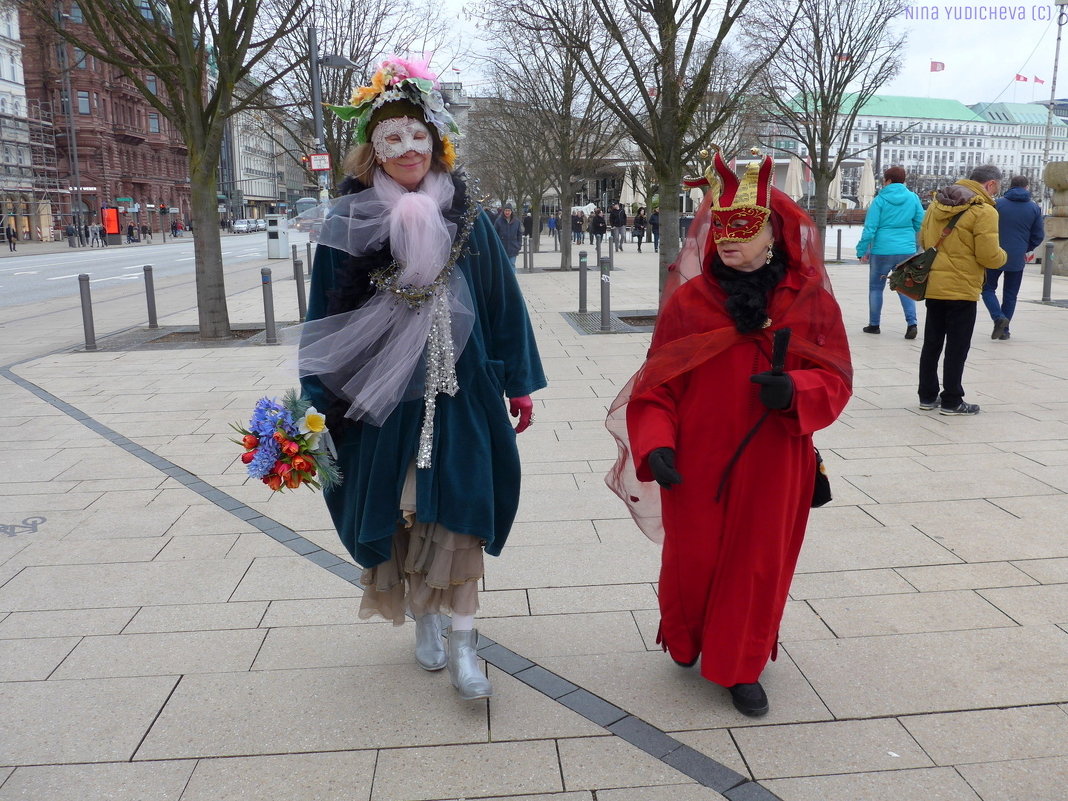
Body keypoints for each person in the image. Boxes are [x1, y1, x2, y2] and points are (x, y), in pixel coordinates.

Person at [298, 56, 546, 701]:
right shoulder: (345, 224)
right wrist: (314, 402)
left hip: (461, 393)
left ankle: (466, 645)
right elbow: (325, 314)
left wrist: (516, 379)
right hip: (379, 399)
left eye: (418, 135)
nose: (408, 149)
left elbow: (501, 301)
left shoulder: (470, 218)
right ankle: (424, 621)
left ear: (437, 139)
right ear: (372, 150)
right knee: (402, 513)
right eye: (391, 138)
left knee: (461, 511)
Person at [606, 152, 852, 717]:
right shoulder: (691, 302)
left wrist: (795, 392)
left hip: (774, 460)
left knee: (755, 564)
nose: (727, 240)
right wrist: (655, 442)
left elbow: (835, 376)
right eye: (720, 228)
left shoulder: (808, 302)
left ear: (775, 233)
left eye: (745, 228)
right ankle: (689, 635)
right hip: (697, 459)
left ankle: (739, 663)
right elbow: (657, 386)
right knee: (693, 559)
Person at [918, 165, 1007, 415]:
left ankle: (926, 396)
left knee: (932, 343)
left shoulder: (937, 203)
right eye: (997, 187)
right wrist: (1004, 257)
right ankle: (952, 400)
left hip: (935, 285)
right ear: (990, 184)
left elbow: (924, 240)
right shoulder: (983, 211)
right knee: (957, 346)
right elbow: (989, 256)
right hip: (962, 287)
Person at [855, 165, 924, 339]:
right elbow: (920, 223)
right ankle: (912, 323)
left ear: (888, 180)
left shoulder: (880, 200)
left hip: (882, 250)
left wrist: (861, 249)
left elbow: (870, 228)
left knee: (876, 288)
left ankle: (874, 324)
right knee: (905, 287)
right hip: (906, 250)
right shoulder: (913, 198)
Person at [985, 175, 1044, 341]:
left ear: (1010, 186)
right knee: (1010, 294)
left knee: (987, 288)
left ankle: (998, 317)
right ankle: (1004, 330)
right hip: (1017, 257)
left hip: (994, 254)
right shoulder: (1033, 208)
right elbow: (1038, 235)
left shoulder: (997, 204)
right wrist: (1025, 248)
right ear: (1026, 187)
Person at [493, 203, 522, 268]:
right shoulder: (498, 221)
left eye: (509, 210)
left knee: (512, 265)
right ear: (503, 211)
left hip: (513, 248)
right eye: (506, 210)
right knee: (503, 266)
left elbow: (519, 234)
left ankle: (512, 278)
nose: (507, 212)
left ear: (511, 211)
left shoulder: (517, 222)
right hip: (502, 248)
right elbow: (494, 234)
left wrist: (518, 245)